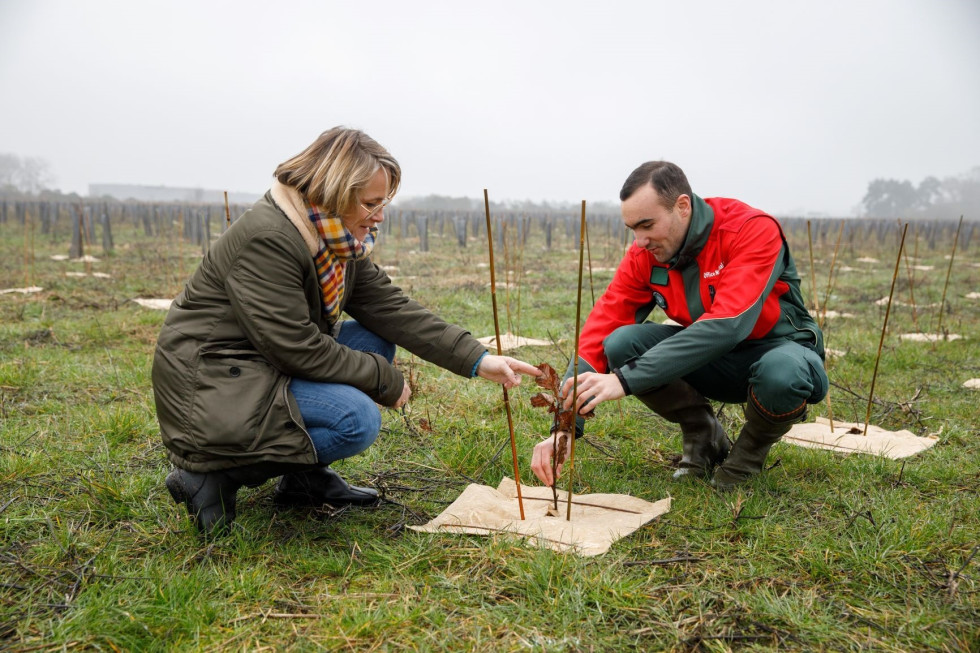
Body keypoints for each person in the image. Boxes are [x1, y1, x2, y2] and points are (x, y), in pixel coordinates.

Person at [153, 127, 540, 535]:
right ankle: (211, 476)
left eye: (383, 202)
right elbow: (296, 348)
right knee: (356, 420)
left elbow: (390, 308)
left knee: (373, 337)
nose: (380, 215)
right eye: (371, 203)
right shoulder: (269, 238)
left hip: (259, 363)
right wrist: (384, 379)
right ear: (337, 192)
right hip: (211, 384)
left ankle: (303, 480)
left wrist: (477, 359)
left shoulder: (333, 238)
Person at [530, 161, 827, 490]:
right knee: (620, 343)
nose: (639, 241)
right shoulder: (645, 253)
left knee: (781, 374)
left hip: (779, 351)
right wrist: (565, 426)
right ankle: (704, 435)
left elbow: (728, 324)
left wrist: (623, 381)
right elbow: (601, 329)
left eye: (647, 225)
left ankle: (747, 456)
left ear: (682, 206)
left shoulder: (750, 229)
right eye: (633, 229)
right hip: (712, 361)